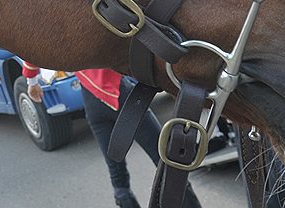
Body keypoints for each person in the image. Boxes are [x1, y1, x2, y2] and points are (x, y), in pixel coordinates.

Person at [22, 65, 203, 208]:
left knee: (117, 176)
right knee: (165, 161)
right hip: (121, 95)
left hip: (92, 103)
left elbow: (32, 44)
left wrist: (31, 80)